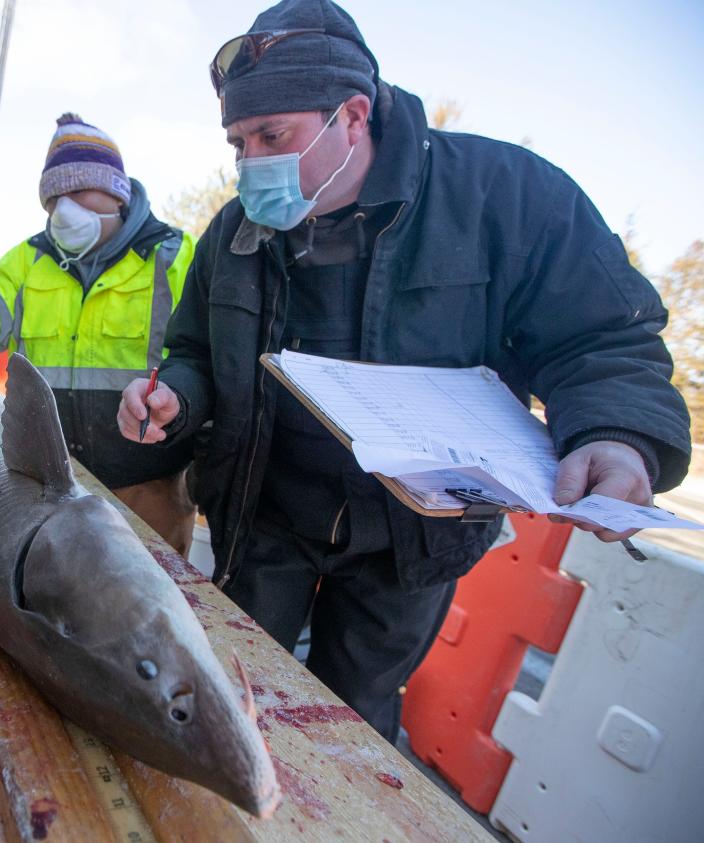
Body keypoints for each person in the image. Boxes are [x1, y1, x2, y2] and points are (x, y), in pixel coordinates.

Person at [117, 0, 692, 743]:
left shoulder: (507, 197)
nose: (251, 161)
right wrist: (177, 399)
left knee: (355, 713)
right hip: (266, 513)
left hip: (410, 540)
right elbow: (193, 350)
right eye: (238, 142)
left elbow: (603, 337)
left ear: (352, 115)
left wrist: (619, 433)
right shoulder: (235, 230)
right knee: (233, 684)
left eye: (272, 135)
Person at [0, 114, 198, 555]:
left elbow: (203, 356)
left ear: (115, 194)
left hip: (147, 486)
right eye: (54, 198)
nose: (65, 209)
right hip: (45, 485)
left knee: (154, 609)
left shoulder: (175, 258)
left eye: (78, 192)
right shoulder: (29, 259)